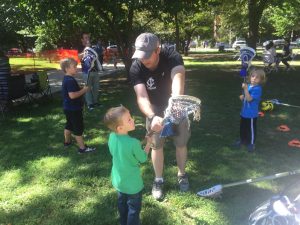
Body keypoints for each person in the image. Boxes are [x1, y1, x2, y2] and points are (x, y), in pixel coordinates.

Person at [129, 32, 190, 201]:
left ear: (158, 49)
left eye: (147, 56)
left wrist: (175, 102)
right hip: (153, 108)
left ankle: (182, 174)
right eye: (140, 56)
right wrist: (152, 115)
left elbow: (178, 77)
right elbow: (141, 97)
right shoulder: (136, 67)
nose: (143, 60)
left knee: (181, 143)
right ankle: (158, 179)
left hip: (176, 104)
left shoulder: (171, 55)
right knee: (156, 145)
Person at [103, 105, 151, 225]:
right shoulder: (133, 143)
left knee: (122, 206)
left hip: (119, 181)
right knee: (133, 210)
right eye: (129, 119)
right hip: (133, 184)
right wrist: (149, 144)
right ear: (120, 128)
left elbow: (123, 150)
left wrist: (143, 141)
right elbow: (143, 158)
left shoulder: (112, 136)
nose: (133, 120)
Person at [60, 58, 96, 154]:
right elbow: (72, 95)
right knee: (78, 127)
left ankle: (67, 142)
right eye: (74, 67)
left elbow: (70, 92)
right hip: (74, 108)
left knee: (69, 125)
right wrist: (84, 90)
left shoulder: (66, 78)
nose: (77, 68)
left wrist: (79, 88)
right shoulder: (70, 80)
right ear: (67, 69)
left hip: (68, 108)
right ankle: (82, 148)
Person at [237, 68, 266, 152]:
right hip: (244, 113)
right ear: (250, 77)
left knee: (251, 130)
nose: (254, 78)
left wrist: (245, 89)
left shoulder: (258, 89)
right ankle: (242, 140)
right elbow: (245, 97)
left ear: (261, 80)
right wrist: (242, 97)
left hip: (251, 114)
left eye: (257, 77)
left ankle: (252, 143)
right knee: (243, 128)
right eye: (253, 76)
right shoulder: (249, 86)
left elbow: (249, 99)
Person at [78, 32, 101, 111]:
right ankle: (90, 104)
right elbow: (78, 57)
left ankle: (95, 102)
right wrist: (86, 48)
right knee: (87, 88)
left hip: (95, 70)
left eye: (88, 37)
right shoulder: (81, 48)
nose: (88, 39)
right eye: (86, 37)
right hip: (86, 72)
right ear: (82, 39)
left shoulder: (92, 47)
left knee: (96, 87)